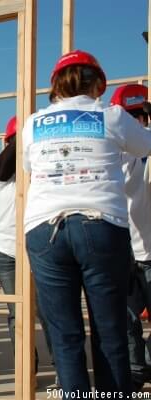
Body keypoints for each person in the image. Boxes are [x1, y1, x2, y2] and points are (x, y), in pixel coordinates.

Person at [22, 50, 151, 397]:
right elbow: (145, 145)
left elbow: (29, 170)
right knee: (110, 332)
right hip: (100, 225)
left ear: (56, 86)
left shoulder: (33, 124)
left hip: (44, 229)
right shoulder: (111, 115)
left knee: (65, 335)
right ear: (97, 84)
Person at [0, 115, 56, 385]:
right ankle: (26, 370)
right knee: (17, 313)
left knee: (50, 311)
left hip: (41, 244)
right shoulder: (0, 167)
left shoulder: (43, 163)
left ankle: (64, 370)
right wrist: (21, 137)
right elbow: (3, 169)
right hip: (7, 248)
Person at [110, 83, 151, 391]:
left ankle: (145, 364)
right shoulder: (108, 152)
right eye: (131, 115)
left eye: (141, 115)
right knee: (127, 320)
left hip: (149, 250)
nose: (137, 121)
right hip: (121, 250)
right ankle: (136, 371)